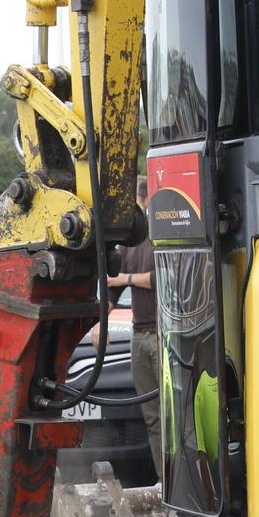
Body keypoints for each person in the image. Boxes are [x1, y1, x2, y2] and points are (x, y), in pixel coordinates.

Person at [110, 177, 162, 481]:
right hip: (139, 335)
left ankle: (177, 483)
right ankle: (163, 480)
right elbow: (112, 288)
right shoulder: (128, 246)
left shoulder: (162, 236)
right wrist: (98, 325)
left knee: (168, 417)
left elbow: (161, 278)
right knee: (152, 417)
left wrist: (125, 279)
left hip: (158, 333)